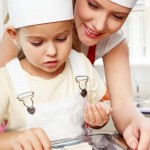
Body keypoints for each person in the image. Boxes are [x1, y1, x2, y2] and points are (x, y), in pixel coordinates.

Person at [1, 0, 150, 149]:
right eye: (93, 5)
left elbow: (122, 105)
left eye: (117, 16)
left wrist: (137, 123)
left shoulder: (82, 63)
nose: (99, 25)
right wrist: (12, 139)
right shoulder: (21, 36)